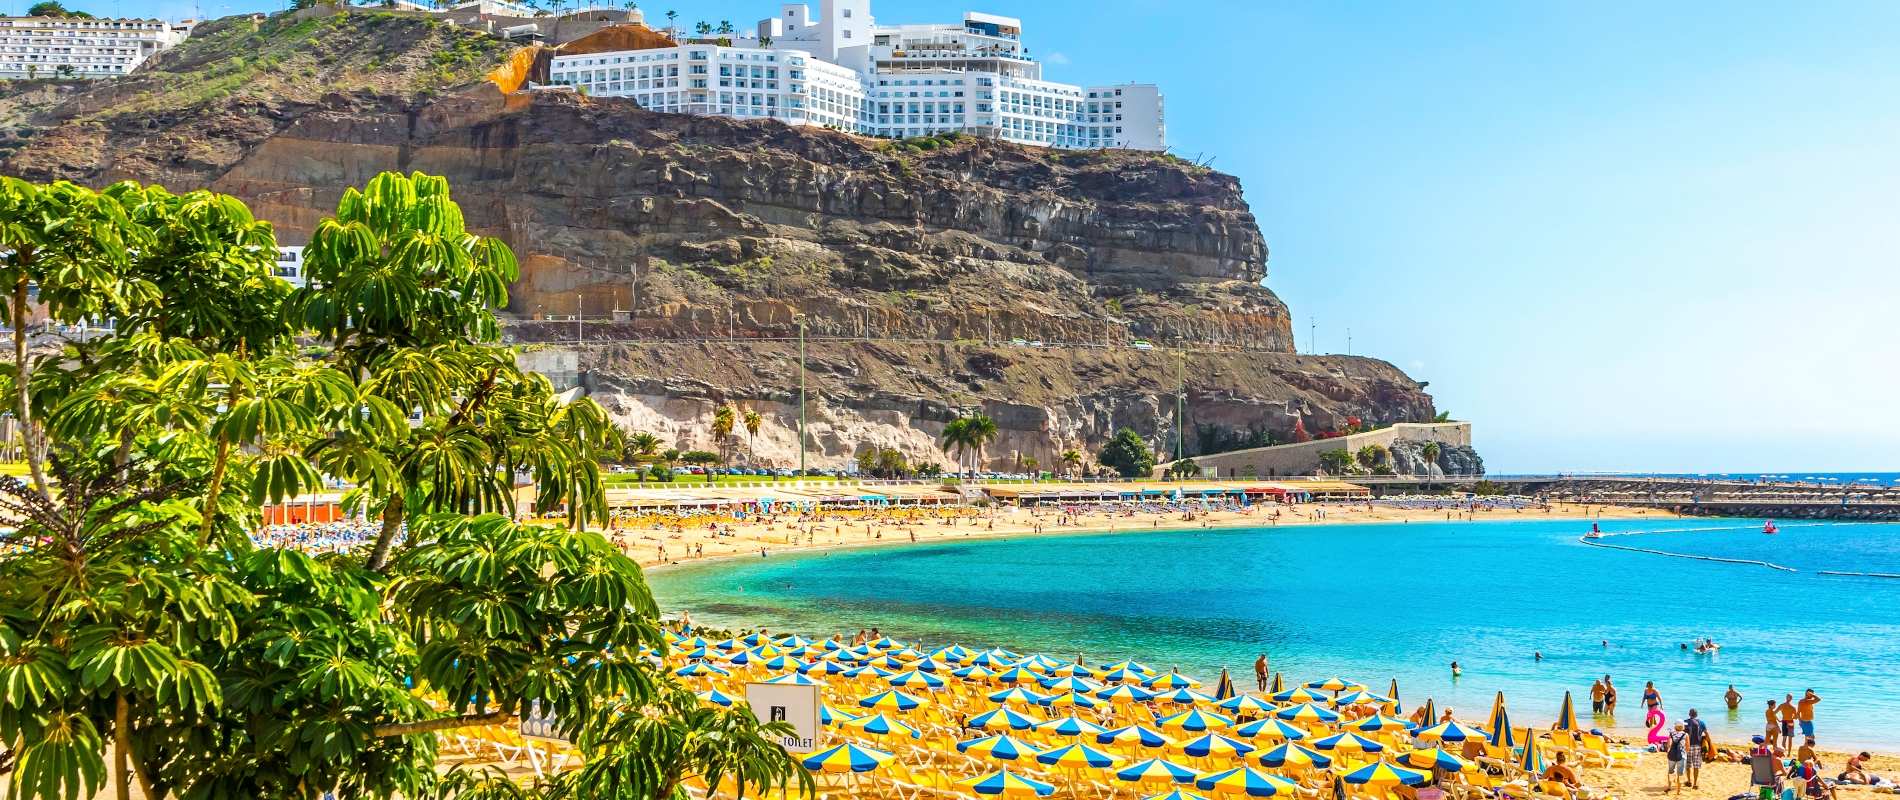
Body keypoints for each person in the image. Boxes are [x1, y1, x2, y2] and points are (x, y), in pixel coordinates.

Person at [1683, 708, 1708, 789]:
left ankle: (1689, 781)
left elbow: (1682, 734)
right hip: (1697, 746)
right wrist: (1710, 745)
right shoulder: (1701, 722)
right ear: (1697, 715)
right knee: (1696, 766)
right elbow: (1707, 735)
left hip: (1688, 746)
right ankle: (1695, 784)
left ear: (1689, 714)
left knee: (1688, 765)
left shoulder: (1685, 722)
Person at [1666, 722, 1689, 793]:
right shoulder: (1685, 734)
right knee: (1680, 773)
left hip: (1671, 755)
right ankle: (1678, 791)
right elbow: (1687, 747)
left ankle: (1669, 786)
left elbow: (1668, 745)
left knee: (1671, 771)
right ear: (1682, 726)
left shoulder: (1671, 733)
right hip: (1681, 755)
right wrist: (1685, 753)